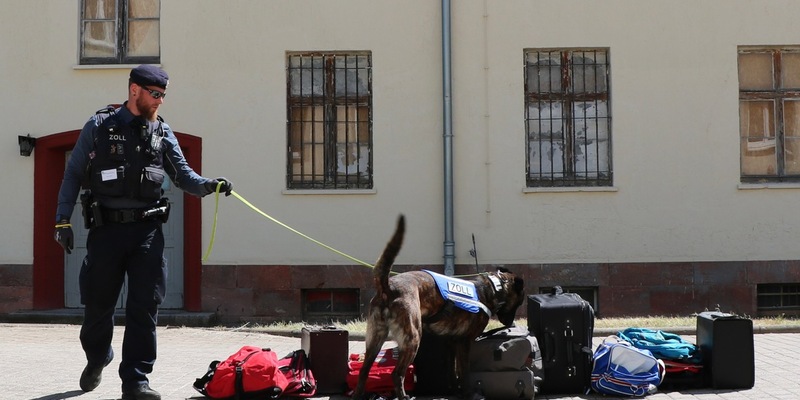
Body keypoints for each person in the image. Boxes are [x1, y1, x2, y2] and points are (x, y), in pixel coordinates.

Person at [53, 65, 233, 400]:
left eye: (163, 95)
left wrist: (209, 185)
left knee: (144, 307)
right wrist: (62, 220)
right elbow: (73, 174)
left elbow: (184, 176)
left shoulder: (162, 132)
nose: (160, 101)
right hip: (106, 232)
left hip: (147, 233)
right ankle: (97, 356)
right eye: (155, 94)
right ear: (134, 90)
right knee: (97, 306)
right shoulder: (99, 126)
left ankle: (136, 381)